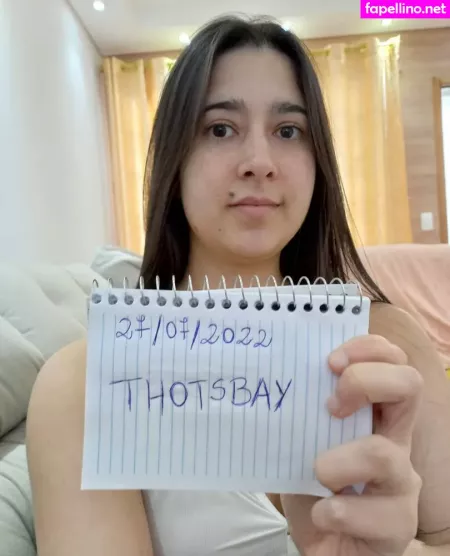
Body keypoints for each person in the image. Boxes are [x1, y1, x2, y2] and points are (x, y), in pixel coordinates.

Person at [26, 14, 450, 556]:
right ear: (174, 159)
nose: (259, 163)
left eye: (288, 131)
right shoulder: (84, 382)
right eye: (220, 129)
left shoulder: (393, 346)